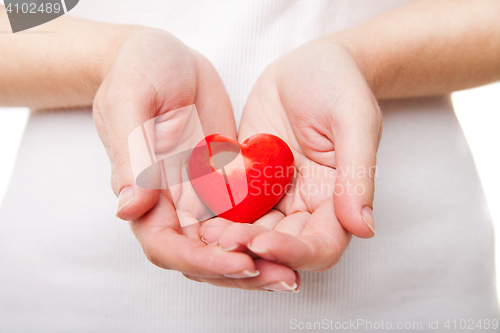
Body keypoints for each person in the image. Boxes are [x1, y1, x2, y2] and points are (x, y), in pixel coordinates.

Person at [0, 0, 499, 331]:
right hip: (73, 296)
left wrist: (360, 58)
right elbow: (15, 13)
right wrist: (113, 57)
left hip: (409, 287)